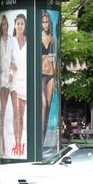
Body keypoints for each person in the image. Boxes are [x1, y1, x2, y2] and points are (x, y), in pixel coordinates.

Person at [8, 13, 27, 156]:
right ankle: (16, 144)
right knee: (16, 114)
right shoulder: (11, 41)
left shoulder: (28, 42)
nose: (20, 26)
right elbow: (5, 58)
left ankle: (20, 143)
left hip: (25, 81)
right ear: (15, 25)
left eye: (22, 23)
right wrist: (10, 65)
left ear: (25, 26)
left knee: (22, 115)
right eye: (18, 23)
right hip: (14, 81)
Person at [0, 14, 13, 155]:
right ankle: (2, 144)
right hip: (2, 76)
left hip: (9, 77)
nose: (4, 27)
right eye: (2, 25)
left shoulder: (11, 40)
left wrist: (11, 73)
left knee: (8, 111)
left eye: (5, 24)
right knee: (2, 110)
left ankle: (7, 144)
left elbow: (13, 59)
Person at [41, 11, 57, 140]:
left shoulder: (52, 38)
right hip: (41, 74)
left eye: (47, 22)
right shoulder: (37, 37)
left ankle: (43, 138)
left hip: (51, 74)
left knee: (48, 108)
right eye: (43, 22)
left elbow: (54, 58)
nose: (45, 25)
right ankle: (39, 138)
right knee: (43, 105)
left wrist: (56, 78)